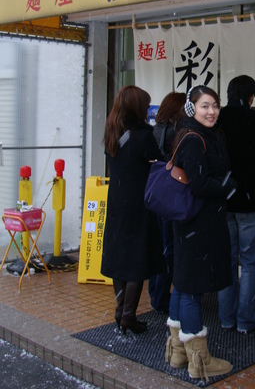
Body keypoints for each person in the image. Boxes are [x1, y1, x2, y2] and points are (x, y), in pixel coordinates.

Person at [165, 85, 237, 380]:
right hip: (199, 223)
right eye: (205, 106)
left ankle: (178, 352)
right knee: (191, 288)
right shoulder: (194, 139)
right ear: (193, 108)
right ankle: (200, 361)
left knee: (182, 285)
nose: (212, 111)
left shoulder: (195, 134)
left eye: (216, 106)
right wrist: (228, 188)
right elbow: (198, 184)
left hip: (190, 222)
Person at [101, 85, 165, 335]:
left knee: (120, 257)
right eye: (145, 105)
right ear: (138, 108)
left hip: (117, 200)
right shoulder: (142, 135)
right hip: (138, 203)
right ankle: (128, 315)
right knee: (136, 260)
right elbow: (158, 160)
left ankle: (120, 311)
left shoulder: (111, 131)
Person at [216, 75, 255, 334]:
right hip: (251, 198)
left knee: (225, 262)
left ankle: (227, 319)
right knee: (249, 262)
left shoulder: (217, 118)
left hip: (223, 198)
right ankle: (246, 321)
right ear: (251, 96)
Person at [147, 91, 186, 314]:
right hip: (171, 196)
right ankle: (162, 298)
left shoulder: (155, 129)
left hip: (155, 195)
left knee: (161, 246)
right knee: (170, 249)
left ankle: (156, 294)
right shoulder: (176, 133)